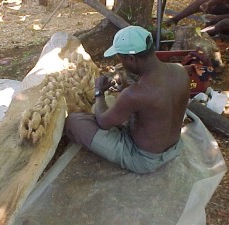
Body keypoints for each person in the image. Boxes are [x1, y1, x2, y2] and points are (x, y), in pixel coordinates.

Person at [64, 26, 190, 174]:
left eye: (121, 58)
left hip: (144, 158)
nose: (121, 63)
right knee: (113, 107)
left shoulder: (135, 94)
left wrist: (99, 92)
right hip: (174, 147)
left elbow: (103, 123)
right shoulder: (180, 70)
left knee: (74, 122)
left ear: (131, 59)